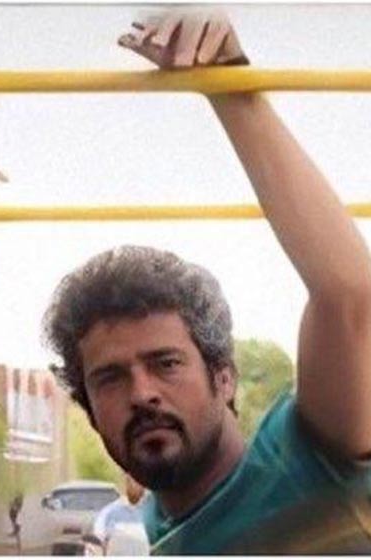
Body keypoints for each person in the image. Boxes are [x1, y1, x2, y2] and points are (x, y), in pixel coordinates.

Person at [43, 10, 371, 554]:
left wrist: (232, 89)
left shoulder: (309, 458)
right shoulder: (158, 535)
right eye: (110, 378)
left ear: (224, 378)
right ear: (92, 414)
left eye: (166, 363)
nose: (142, 393)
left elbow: (350, 296)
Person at [93, 474, 149, 555]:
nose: (137, 484)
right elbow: (98, 544)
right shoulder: (109, 513)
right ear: (126, 480)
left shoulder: (153, 511)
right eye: (133, 479)